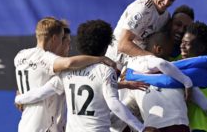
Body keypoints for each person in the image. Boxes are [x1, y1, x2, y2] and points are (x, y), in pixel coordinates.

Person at [16, 20, 158, 132]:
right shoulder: (104, 71)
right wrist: (141, 128)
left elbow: (42, 92)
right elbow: (113, 103)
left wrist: (20, 97)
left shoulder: (65, 74)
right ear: (107, 44)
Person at [14, 17, 116, 132]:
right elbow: (68, 63)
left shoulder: (20, 55)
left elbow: (31, 79)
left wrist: (20, 96)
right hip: (44, 126)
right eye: (64, 39)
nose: (69, 47)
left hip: (25, 124)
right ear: (54, 39)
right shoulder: (48, 60)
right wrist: (100, 59)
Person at [105, 0, 183, 69]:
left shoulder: (166, 16)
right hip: (114, 64)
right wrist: (152, 58)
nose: (166, 3)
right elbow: (123, 45)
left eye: (171, 0)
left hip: (135, 64)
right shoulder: (142, 9)